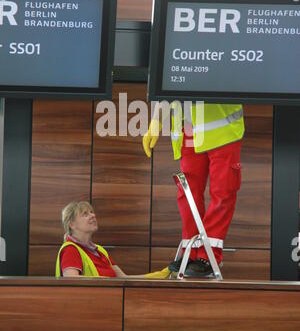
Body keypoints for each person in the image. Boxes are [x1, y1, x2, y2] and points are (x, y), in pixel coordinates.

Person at [143, 101, 244, 278]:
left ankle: (208, 256)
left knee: (222, 192)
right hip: (189, 130)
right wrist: (156, 121)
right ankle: (191, 253)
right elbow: (168, 83)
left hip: (223, 131)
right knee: (187, 194)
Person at [55, 200, 170, 279]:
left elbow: (124, 279)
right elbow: (71, 281)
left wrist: (163, 274)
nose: (92, 216)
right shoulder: (71, 249)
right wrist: (107, 281)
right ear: (72, 224)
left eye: (91, 212)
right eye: (85, 214)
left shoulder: (100, 251)